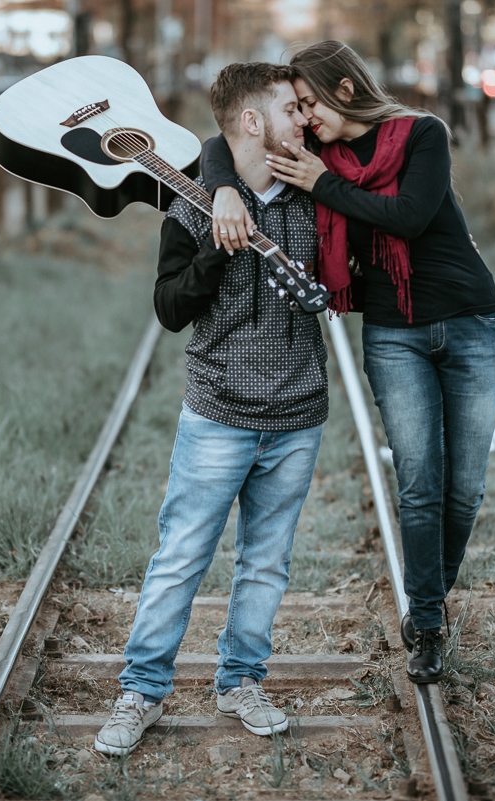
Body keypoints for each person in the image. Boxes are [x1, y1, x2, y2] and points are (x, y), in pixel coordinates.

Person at [202, 40, 495, 686]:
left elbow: (411, 217)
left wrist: (324, 184)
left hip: (470, 323)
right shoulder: (317, 161)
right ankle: (426, 622)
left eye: (308, 103)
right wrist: (224, 189)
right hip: (395, 331)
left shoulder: (420, 135)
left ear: (342, 91)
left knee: (465, 487)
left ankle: (430, 591)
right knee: (420, 481)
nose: (304, 120)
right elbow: (219, 143)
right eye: (296, 109)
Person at [94, 62, 329, 757]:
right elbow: (169, 309)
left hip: (298, 414)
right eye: (291, 109)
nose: (303, 120)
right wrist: (220, 247)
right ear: (252, 121)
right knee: (181, 557)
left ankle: (241, 680)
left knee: (266, 562)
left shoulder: (314, 194)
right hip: (218, 413)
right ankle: (140, 688)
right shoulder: (194, 204)